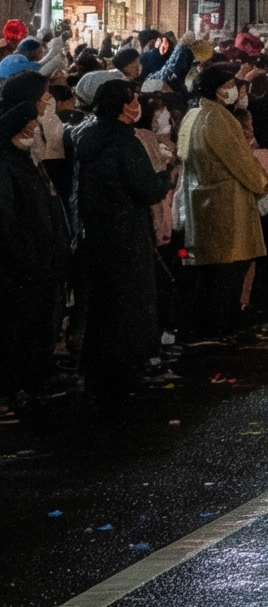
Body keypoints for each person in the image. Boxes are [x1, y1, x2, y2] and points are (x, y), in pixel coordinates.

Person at [72, 78, 175, 401]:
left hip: (98, 231)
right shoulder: (124, 141)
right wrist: (165, 174)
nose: (137, 107)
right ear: (118, 106)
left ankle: (98, 371)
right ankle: (124, 370)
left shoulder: (87, 136)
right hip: (126, 232)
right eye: (131, 101)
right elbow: (145, 188)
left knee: (103, 303)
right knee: (128, 302)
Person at [177, 62, 268, 341]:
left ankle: (212, 323)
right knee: (229, 270)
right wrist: (261, 183)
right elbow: (240, 160)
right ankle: (224, 323)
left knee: (213, 272)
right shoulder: (218, 118)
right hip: (227, 202)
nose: (233, 91)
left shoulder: (193, 114)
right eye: (227, 86)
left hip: (201, 200)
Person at [0, 91, 70, 417]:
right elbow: (7, 222)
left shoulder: (28, 162)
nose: (32, 127)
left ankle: (31, 384)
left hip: (40, 262)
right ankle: (15, 389)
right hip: (20, 267)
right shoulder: (5, 165)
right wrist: (22, 259)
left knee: (36, 327)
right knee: (18, 330)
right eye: (26, 121)